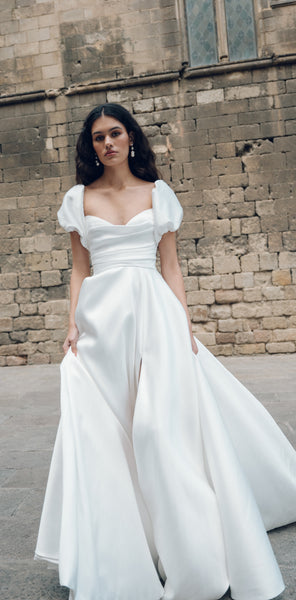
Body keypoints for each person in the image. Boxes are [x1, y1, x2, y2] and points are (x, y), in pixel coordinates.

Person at [35, 103, 296, 600]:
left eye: (115, 133)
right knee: (111, 435)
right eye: (97, 137)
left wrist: (184, 322)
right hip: (102, 325)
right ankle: (131, 548)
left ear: (131, 138)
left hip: (154, 314)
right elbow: (78, 269)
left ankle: (191, 550)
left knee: (157, 429)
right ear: (90, 147)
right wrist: (71, 324)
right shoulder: (78, 199)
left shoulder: (159, 194)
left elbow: (170, 265)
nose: (107, 143)